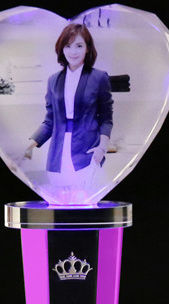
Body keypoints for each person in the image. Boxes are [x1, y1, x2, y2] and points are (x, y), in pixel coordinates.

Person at [24, 23, 113, 203]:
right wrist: (29, 145)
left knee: (85, 202)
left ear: (87, 48)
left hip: (88, 151)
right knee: (61, 201)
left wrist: (102, 148)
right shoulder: (53, 81)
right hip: (58, 152)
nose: (73, 51)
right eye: (68, 46)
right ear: (61, 49)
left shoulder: (99, 77)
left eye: (79, 46)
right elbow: (50, 121)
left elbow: (106, 118)